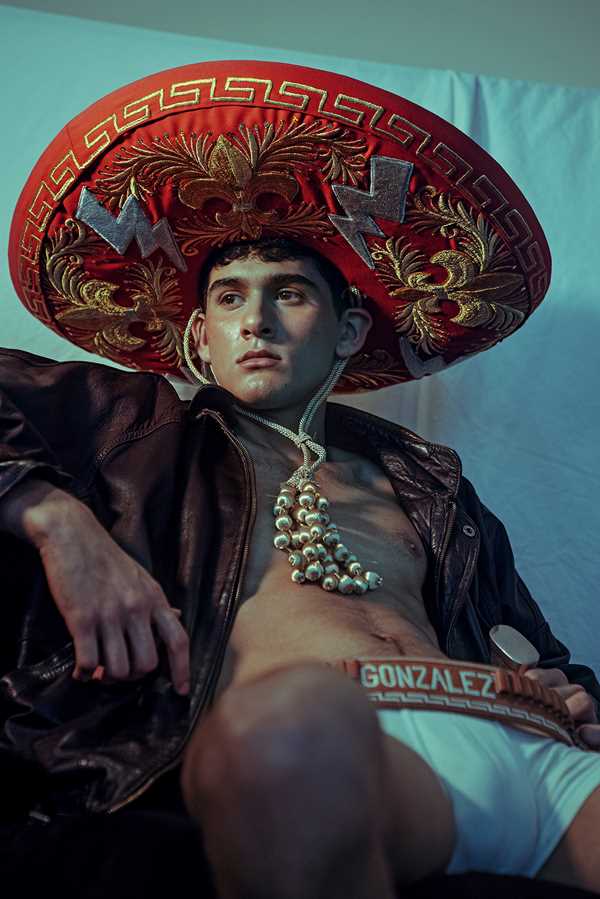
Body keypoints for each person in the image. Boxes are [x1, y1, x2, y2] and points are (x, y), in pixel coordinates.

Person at [3, 60, 600, 898]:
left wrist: (569, 696)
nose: (256, 320)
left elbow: (549, 658)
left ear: (348, 330)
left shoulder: (431, 484)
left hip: (524, 748)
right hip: (337, 751)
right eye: (228, 299)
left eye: (288, 294)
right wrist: (55, 520)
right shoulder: (137, 431)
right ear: (200, 339)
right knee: (284, 735)